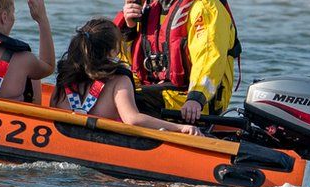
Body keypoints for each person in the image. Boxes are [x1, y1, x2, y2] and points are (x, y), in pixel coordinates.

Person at [115, 0, 240, 122]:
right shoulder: (147, 0)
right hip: (157, 88)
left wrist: (196, 98)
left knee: (125, 103)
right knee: (104, 91)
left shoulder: (204, 5)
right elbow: (129, 61)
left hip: (193, 100)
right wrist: (129, 29)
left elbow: (209, 57)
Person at [51, 19, 201, 136]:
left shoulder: (65, 77)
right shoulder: (119, 81)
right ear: (112, 51)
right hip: (103, 147)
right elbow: (133, 119)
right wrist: (180, 127)